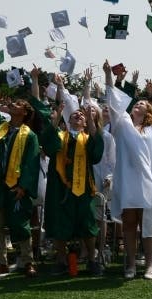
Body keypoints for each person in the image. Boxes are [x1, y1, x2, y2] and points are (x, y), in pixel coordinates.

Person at [31, 69, 105, 276]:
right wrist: (54, 120)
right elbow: (48, 144)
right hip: (59, 187)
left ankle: (91, 259)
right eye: (74, 115)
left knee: (87, 224)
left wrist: (91, 120)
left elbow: (96, 154)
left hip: (83, 188)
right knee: (59, 224)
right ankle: (61, 261)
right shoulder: (60, 135)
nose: (78, 115)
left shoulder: (88, 138)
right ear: (66, 120)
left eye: (81, 115)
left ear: (85, 123)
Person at [104, 60, 152, 281]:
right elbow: (112, 101)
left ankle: (150, 264)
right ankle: (130, 264)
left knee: (148, 224)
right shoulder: (122, 124)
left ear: (148, 111)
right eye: (136, 103)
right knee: (129, 223)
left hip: (148, 182)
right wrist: (108, 76)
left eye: (141, 104)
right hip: (126, 180)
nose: (137, 105)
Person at [0, 75, 41, 277]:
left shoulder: (29, 135)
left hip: (16, 187)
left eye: (18, 104)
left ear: (24, 113)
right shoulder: (1, 128)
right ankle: (1, 262)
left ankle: (28, 260)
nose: (13, 105)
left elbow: (32, 163)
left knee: (20, 225)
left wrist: (24, 186)